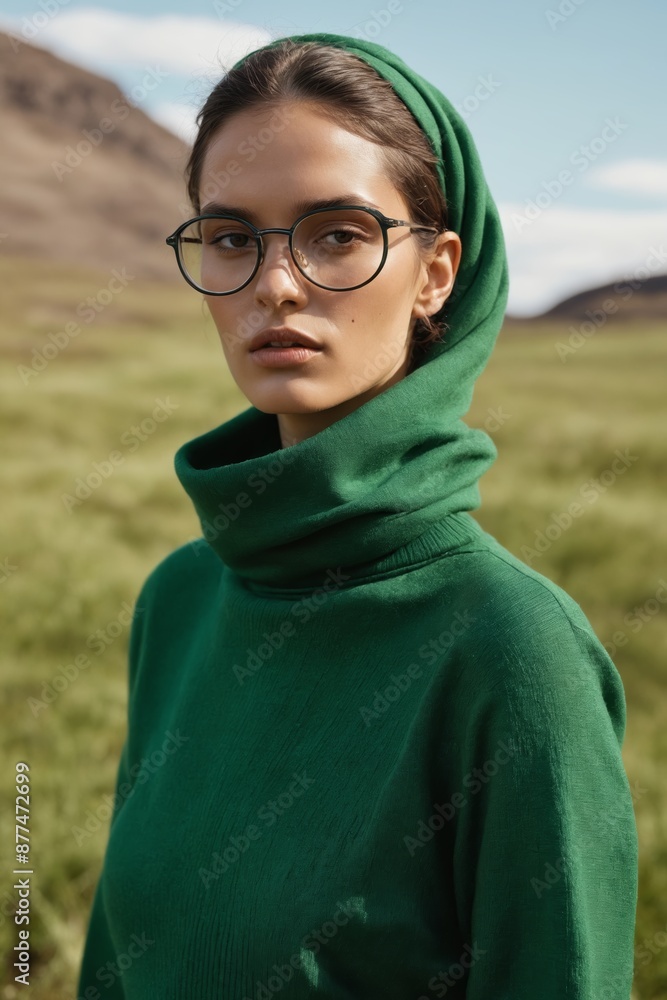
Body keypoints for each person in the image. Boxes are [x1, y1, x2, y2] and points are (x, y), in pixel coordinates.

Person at [76, 32, 638, 1000]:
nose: (275, 284)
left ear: (435, 272)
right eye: (231, 237)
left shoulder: (515, 650)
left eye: (336, 234)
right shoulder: (179, 598)